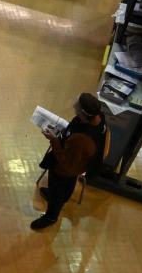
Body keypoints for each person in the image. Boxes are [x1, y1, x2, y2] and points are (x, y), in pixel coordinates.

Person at [31, 93, 108, 230]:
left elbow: (64, 162)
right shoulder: (100, 117)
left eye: (77, 106)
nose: (73, 106)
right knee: (66, 185)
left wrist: (53, 139)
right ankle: (60, 197)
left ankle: (51, 216)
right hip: (77, 160)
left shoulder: (81, 140)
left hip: (67, 168)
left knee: (59, 187)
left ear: (84, 114)